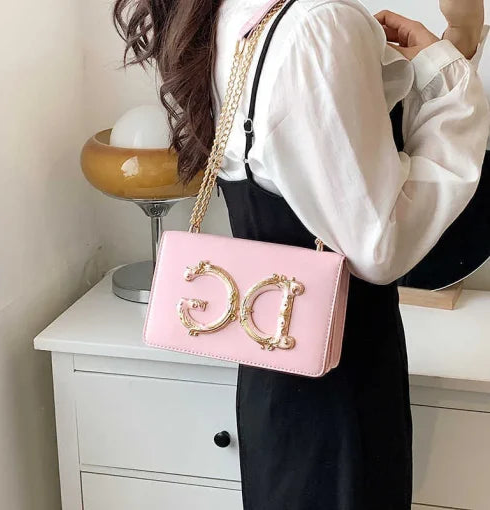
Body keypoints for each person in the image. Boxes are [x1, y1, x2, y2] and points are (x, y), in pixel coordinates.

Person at [114, 0, 489, 508]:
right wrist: (451, 76)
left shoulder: (236, 15)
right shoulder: (318, 25)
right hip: (342, 391)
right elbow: (380, 246)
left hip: (271, 379)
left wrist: (455, 44)